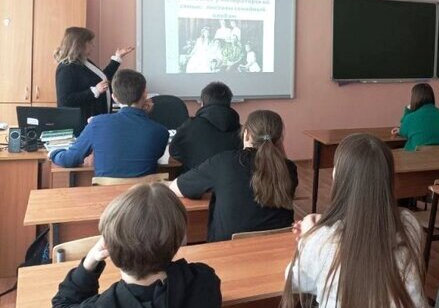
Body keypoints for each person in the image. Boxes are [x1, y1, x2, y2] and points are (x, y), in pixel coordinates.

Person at [282, 134, 427, 308]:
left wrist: (307, 238)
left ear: (337, 177)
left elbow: (295, 280)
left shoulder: (322, 240)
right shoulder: (410, 224)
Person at [51, 183, 221, 308]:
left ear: (107, 246)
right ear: (182, 239)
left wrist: (89, 264)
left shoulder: (104, 304)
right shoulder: (204, 280)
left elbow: (62, 303)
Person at [170, 110, 298, 242]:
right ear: (280, 139)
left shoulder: (223, 162)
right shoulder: (289, 169)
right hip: (279, 246)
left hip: (227, 248)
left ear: (246, 134)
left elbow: (175, 188)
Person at [50, 70, 168, 177]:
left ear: (114, 97)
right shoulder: (161, 132)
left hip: (107, 193)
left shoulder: (97, 124)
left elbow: (69, 160)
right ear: (145, 94)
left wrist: (53, 153)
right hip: (143, 194)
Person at [54, 26, 134, 126]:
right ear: (79, 45)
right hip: (82, 124)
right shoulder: (66, 68)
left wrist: (117, 58)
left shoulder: (84, 62)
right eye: (90, 42)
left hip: (95, 120)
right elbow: (65, 100)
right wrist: (94, 91)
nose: (93, 46)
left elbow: (102, 79)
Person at [169, 82, 242, 173]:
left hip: (196, 180)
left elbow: (174, 152)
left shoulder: (190, 127)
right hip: (232, 181)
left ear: (202, 104)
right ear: (229, 104)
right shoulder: (243, 132)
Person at [391, 83, 439, 151]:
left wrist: (408, 109)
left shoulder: (411, 117)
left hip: (417, 154)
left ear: (414, 98)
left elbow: (403, 131)